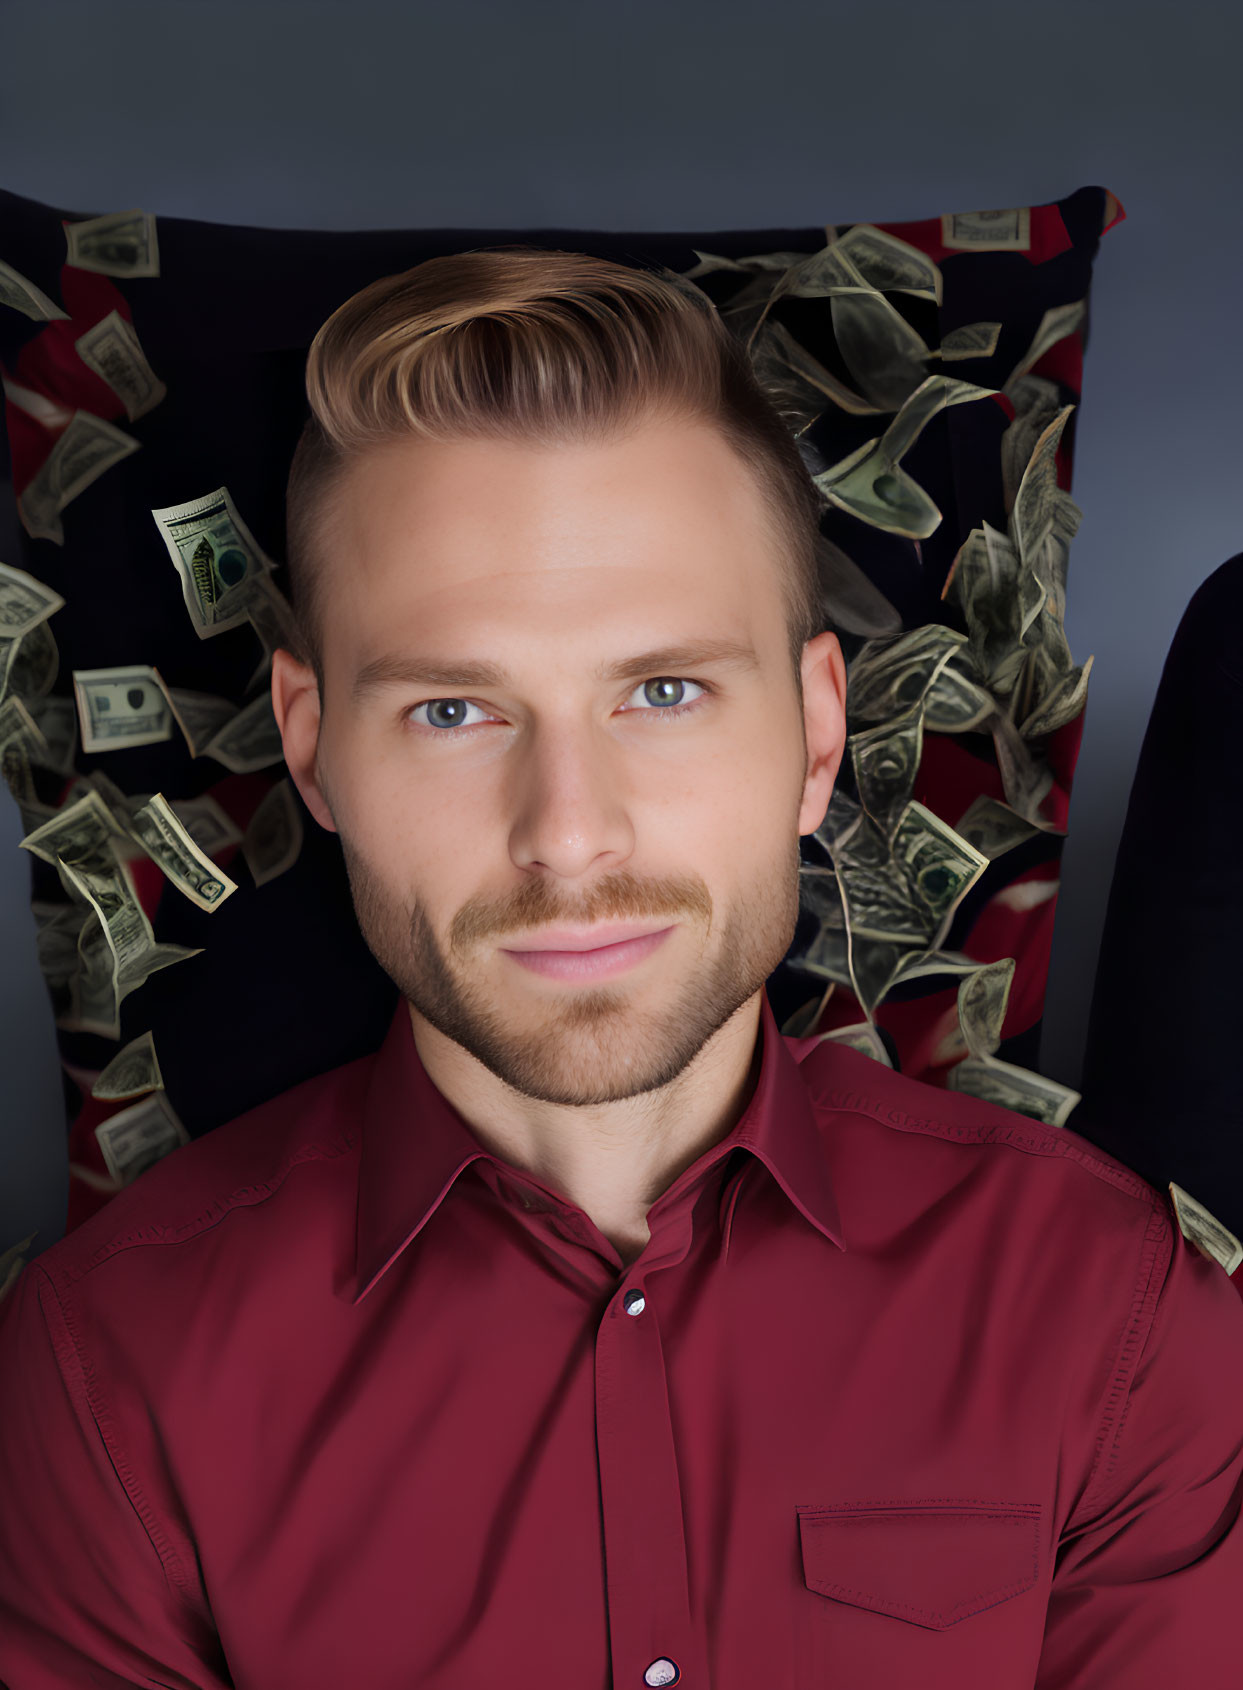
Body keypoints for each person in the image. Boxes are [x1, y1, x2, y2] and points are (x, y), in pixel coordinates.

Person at [1, 249, 1240, 1689]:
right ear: (313, 742)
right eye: (455, 707)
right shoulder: (102, 1378)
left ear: (816, 733)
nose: (568, 835)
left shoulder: (1116, 1316)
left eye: (663, 690)